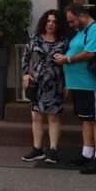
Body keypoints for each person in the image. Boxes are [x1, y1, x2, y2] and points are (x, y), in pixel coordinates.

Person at [54, 3, 96, 174]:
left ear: (82, 16)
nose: (70, 25)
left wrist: (67, 60)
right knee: (86, 119)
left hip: (91, 83)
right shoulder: (82, 31)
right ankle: (87, 154)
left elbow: (90, 53)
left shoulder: (95, 29)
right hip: (80, 83)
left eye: (72, 21)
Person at [21, 10, 68, 163]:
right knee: (36, 116)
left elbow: (69, 64)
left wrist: (68, 83)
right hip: (36, 84)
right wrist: (25, 74)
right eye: (48, 21)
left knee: (53, 116)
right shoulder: (34, 39)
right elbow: (25, 58)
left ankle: (53, 150)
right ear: (44, 22)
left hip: (56, 83)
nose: (50, 24)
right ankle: (37, 149)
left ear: (58, 24)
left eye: (54, 22)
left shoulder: (64, 41)